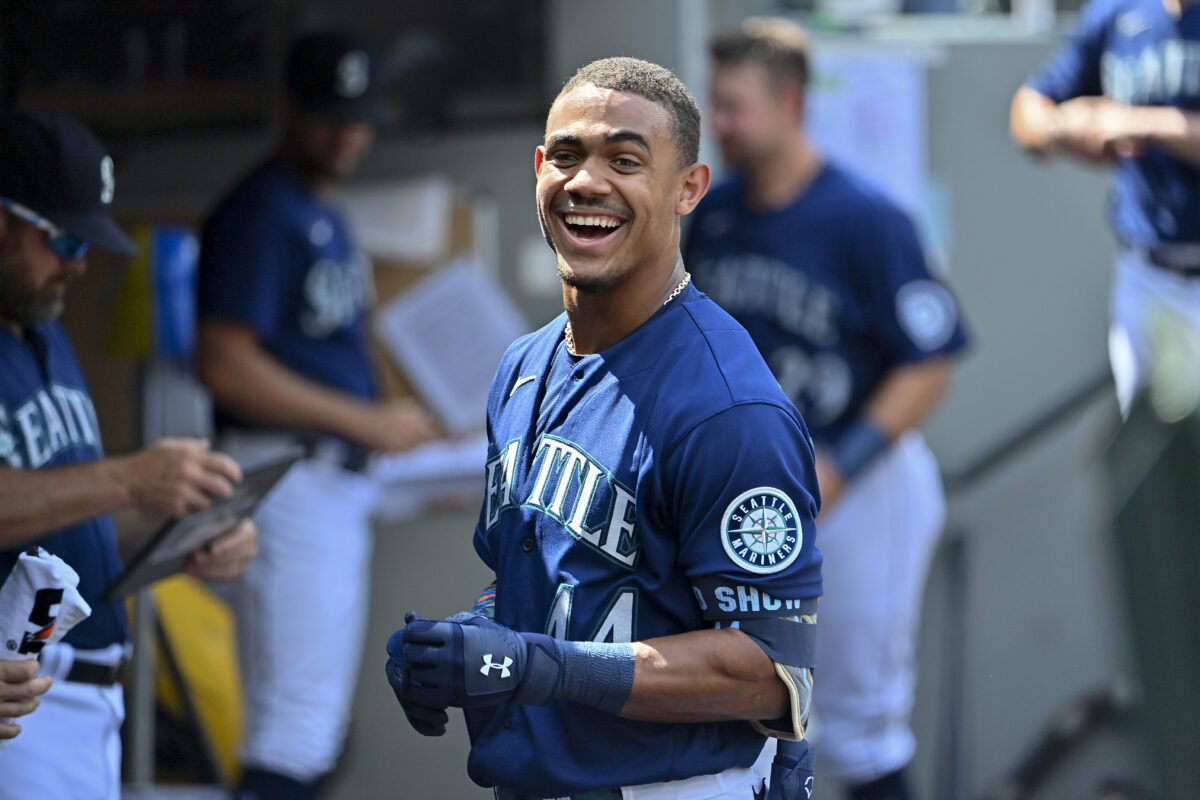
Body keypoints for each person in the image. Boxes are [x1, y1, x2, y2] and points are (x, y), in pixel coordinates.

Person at [385, 55, 824, 800]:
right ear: (537, 170)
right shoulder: (523, 366)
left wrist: (535, 666)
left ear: (689, 188)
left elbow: (769, 674)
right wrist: (463, 644)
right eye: (567, 156)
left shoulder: (729, 410)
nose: (588, 182)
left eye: (626, 159)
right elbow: (547, 576)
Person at [683, 19, 970, 800]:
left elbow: (929, 364)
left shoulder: (866, 218)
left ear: (791, 102)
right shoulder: (714, 214)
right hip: (757, 493)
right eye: (720, 104)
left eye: (738, 106)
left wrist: (839, 467)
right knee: (751, 712)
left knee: (859, 725)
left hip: (860, 484)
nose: (726, 124)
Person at [195, 30, 440, 800]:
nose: (348, 135)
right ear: (292, 108)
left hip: (332, 475)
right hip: (286, 473)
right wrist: (366, 422)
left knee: (316, 732)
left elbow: (328, 342)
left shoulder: (320, 206)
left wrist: (394, 418)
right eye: (331, 116)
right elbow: (224, 363)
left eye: (360, 117)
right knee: (294, 733)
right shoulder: (262, 208)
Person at [0, 109, 258, 799]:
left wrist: (181, 534)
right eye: (60, 238)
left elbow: (61, 528)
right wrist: (129, 477)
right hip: (18, 703)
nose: (78, 264)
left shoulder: (40, 325)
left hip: (87, 702)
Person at [1011, 0, 1200, 415]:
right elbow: (1027, 112)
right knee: (1157, 451)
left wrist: (1138, 122)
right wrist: (1065, 128)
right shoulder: (1118, 12)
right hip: (1148, 272)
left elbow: (1128, 122)